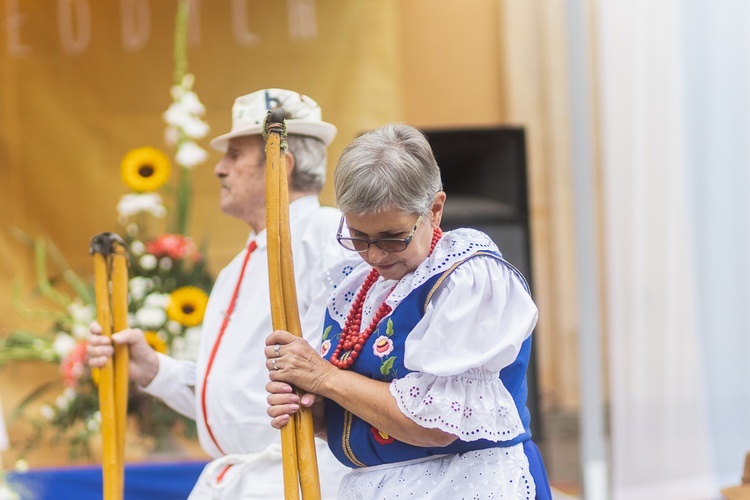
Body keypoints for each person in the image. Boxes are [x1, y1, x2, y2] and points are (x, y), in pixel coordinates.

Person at [264, 123, 552, 499]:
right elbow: (362, 414)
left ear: (434, 209)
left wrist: (325, 379)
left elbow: (437, 425)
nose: (374, 255)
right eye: (359, 237)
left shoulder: (467, 277)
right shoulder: (354, 284)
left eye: (392, 237)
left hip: (466, 485)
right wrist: (313, 410)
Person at [87, 88, 350, 499]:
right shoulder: (237, 266)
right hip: (237, 481)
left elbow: (343, 372)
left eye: (235, 155)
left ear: (280, 164)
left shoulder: (327, 234)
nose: (219, 169)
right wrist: (153, 369)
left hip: (298, 477)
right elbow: (233, 399)